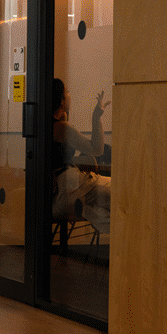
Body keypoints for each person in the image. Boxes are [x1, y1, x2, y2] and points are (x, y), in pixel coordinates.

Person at [51, 78, 111, 235]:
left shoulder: (48, 124)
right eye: (67, 92)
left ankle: (87, 210)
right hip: (70, 188)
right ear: (61, 100)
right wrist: (96, 117)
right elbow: (97, 150)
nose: (70, 95)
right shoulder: (60, 127)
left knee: (101, 209)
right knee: (120, 189)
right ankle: (89, 211)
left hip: (58, 197)